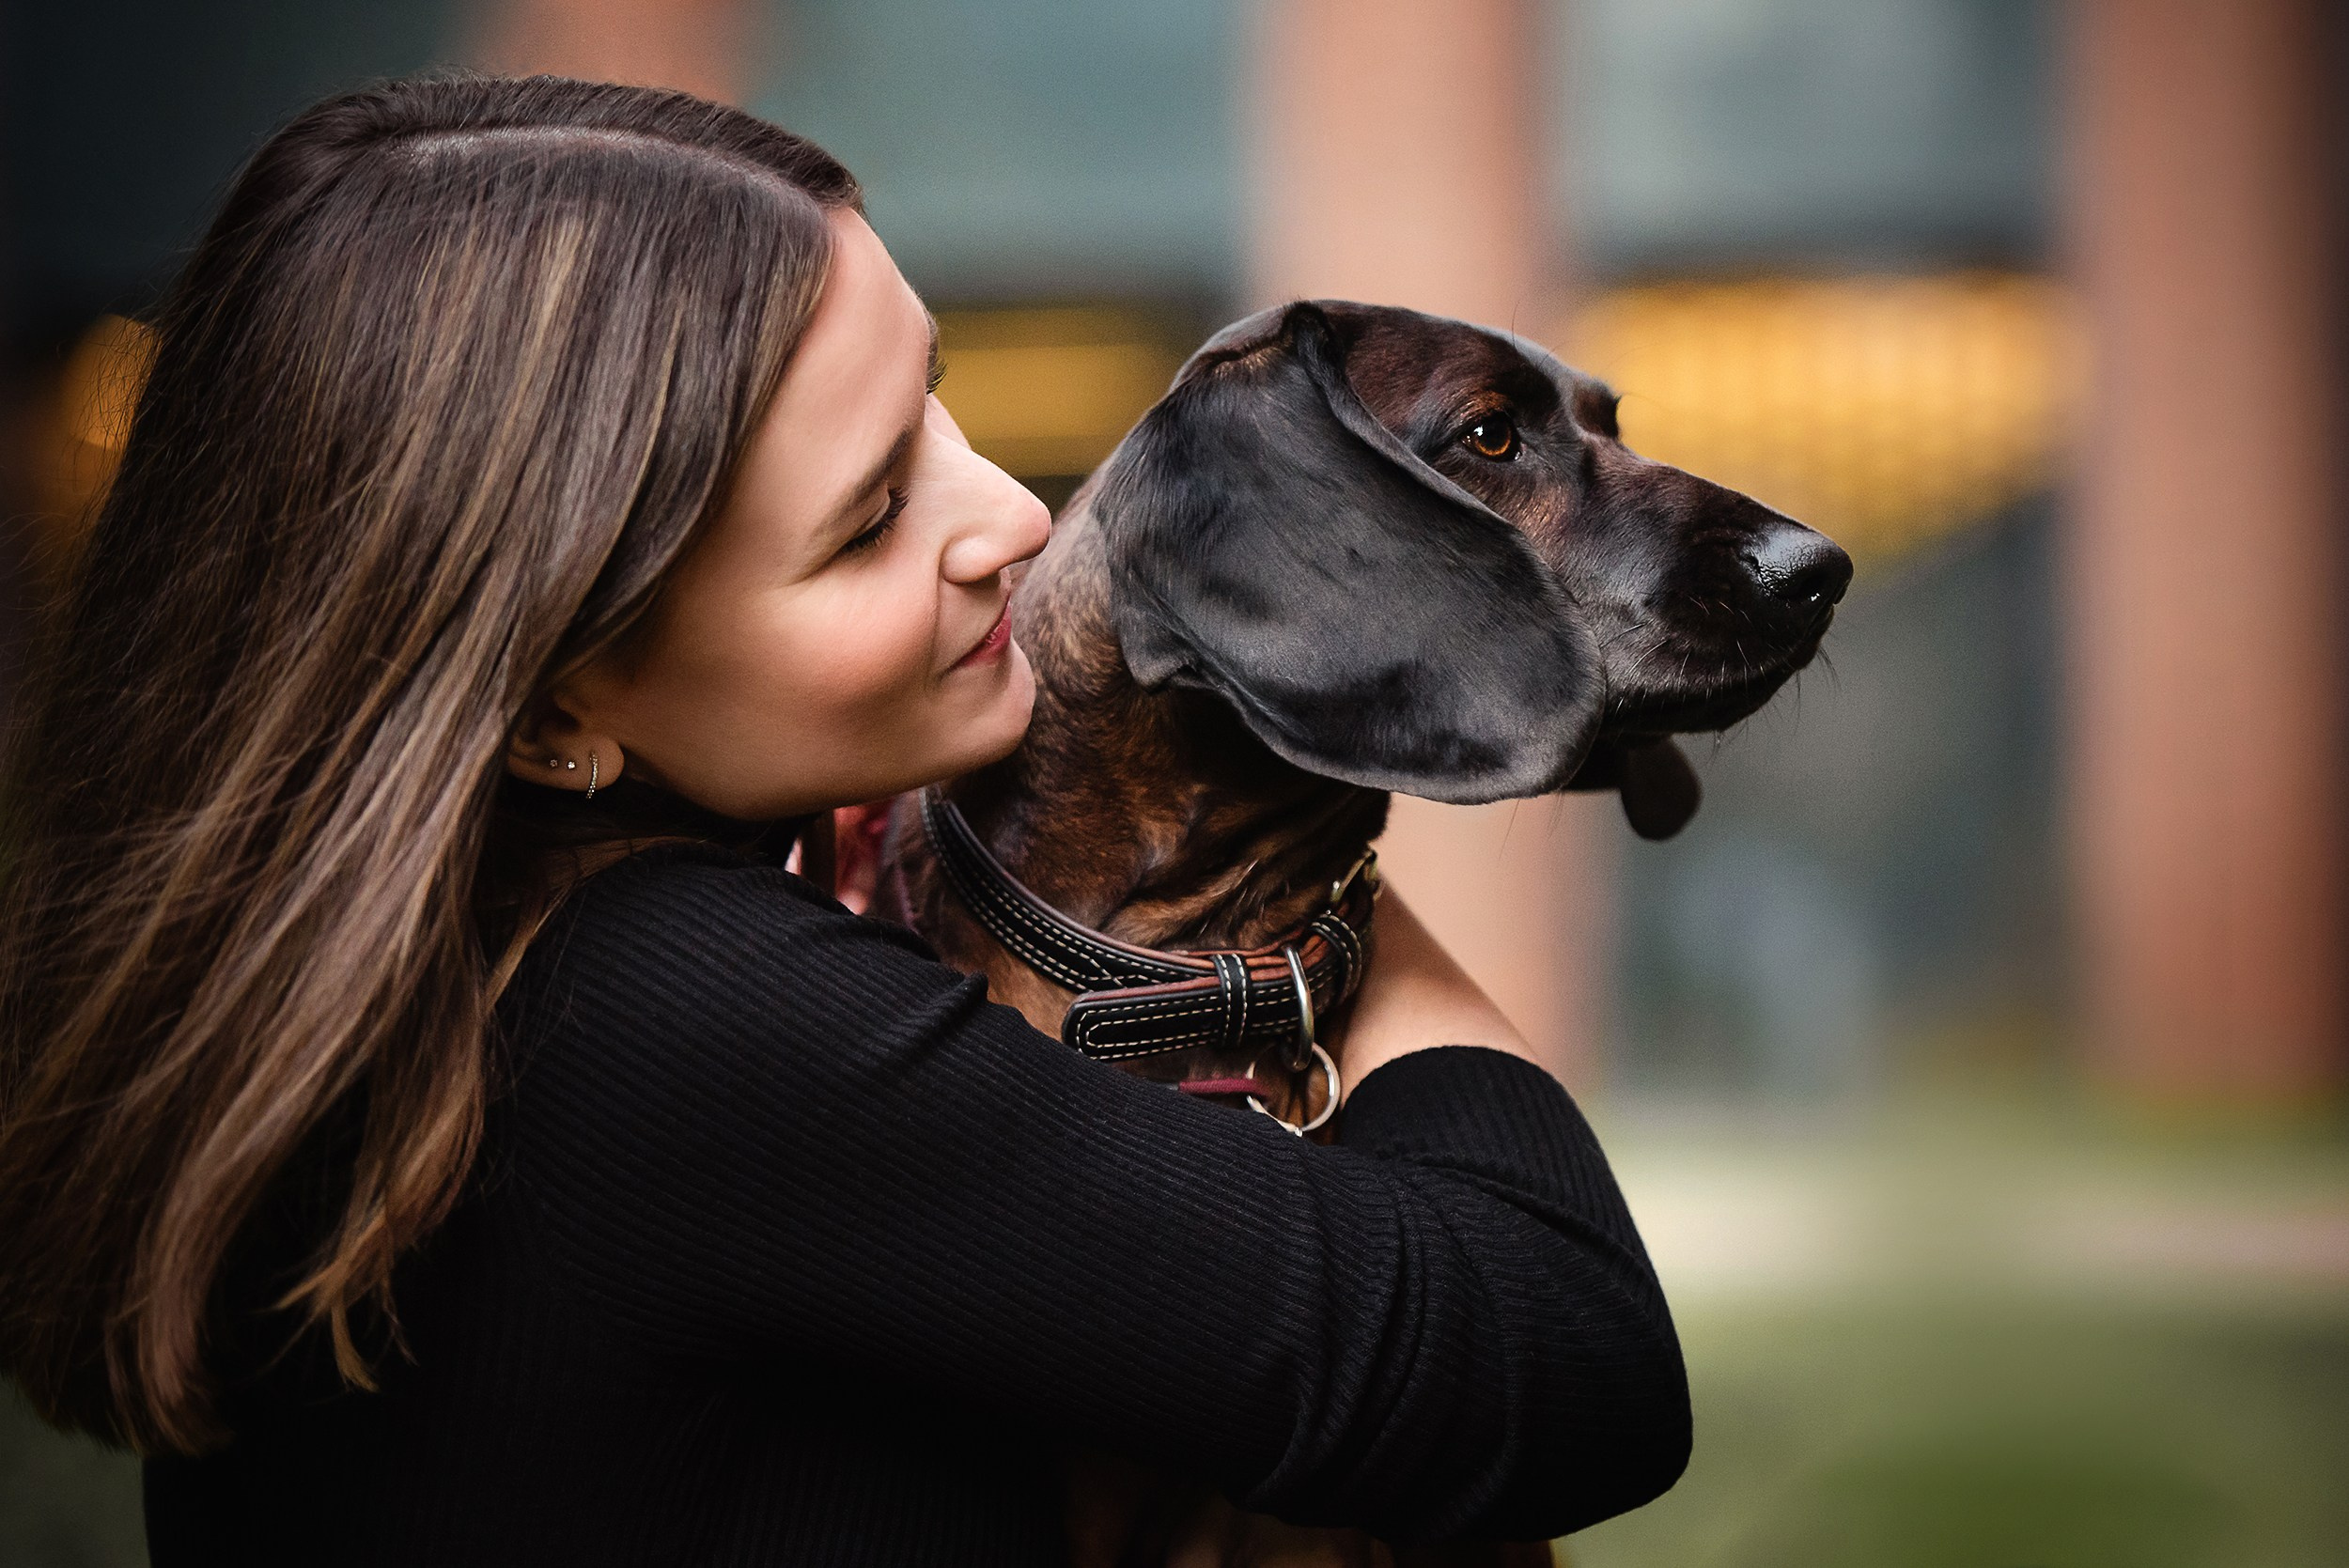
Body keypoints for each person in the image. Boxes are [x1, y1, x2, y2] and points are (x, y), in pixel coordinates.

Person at [0, 75, 1689, 1565]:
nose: (1012, 518)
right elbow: (1559, 1355)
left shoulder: (399, 991)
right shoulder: (679, 1017)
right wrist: (1314, 799)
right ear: (552, 704)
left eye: (935, 403)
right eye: (870, 516)